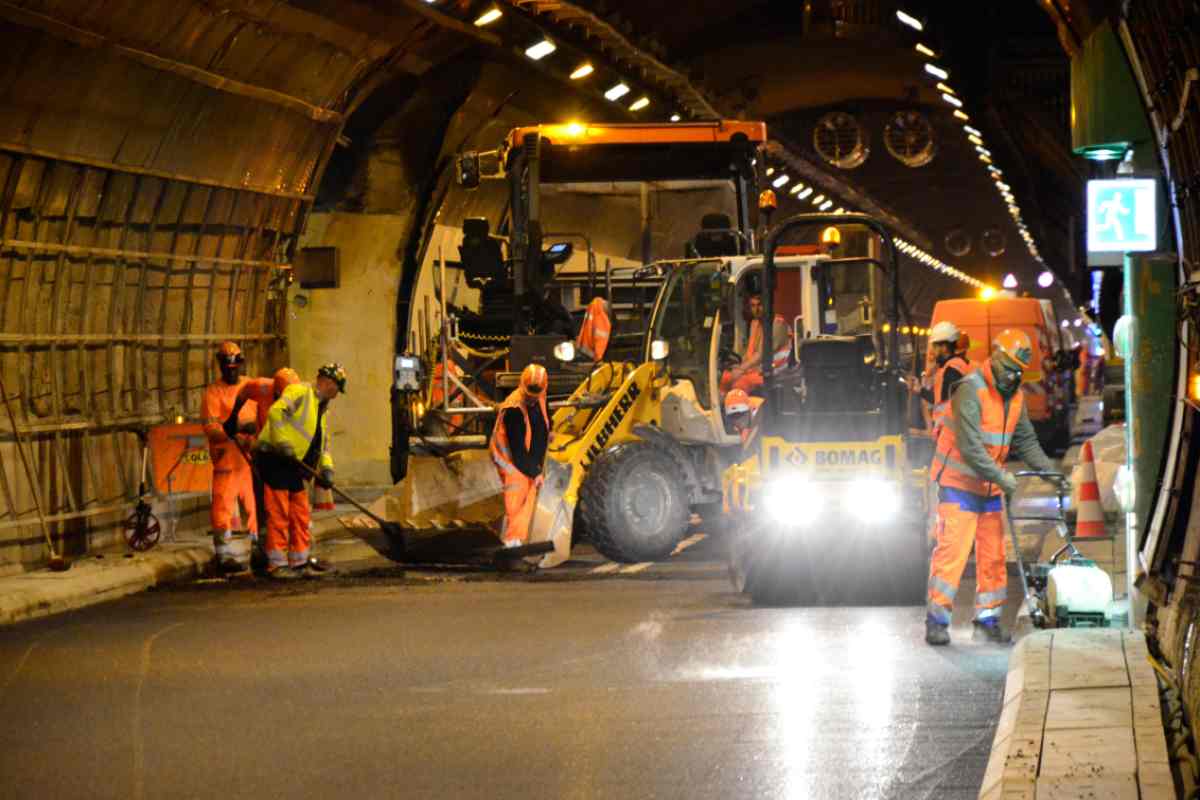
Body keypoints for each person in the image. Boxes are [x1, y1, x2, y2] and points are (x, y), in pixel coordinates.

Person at [926, 329, 1062, 646]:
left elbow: (1025, 439)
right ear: (996, 356)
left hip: (987, 489)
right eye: (1010, 366)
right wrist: (1004, 478)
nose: (1014, 375)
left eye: (1019, 370)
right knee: (952, 555)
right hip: (958, 485)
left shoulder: (1014, 396)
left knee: (993, 557)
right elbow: (971, 448)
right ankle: (936, 620)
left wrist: (1049, 471)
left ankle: (987, 619)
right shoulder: (969, 390)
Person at [251, 363, 345, 580]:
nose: (337, 394)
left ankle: (299, 561)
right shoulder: (300, 391)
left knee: (300, 512)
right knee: (279, 512)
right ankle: (277, 564)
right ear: (326, 381)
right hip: (275, 458)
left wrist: (327, 469)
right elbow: (276, 412)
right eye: (336, 388)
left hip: (294, 464)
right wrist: (283, 443)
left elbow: (322, 443)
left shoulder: (322, 409)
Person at [224, 367, 301, 570]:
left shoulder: (301, 398)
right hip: (264, 452)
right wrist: (233, 417)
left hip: (287, 455)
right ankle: (265, 547)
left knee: (289, 506)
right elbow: (243, 392)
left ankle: (292, 553)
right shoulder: (263, 387)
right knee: (267, 505)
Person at [202, 342, 258, 572]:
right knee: (222, 502)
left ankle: (259, 547)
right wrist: (233, 429)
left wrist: (256, 430)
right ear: (222, 367)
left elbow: (264, 410)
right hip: (227, 457)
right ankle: (223, 554)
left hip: (250, 455)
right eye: (228, 368)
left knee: (256, 505)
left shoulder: (251, 386)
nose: (232, 371)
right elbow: (212, 429)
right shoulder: (213, 393)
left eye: (236, 367)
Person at [490, 364, 550, 548]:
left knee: (531, 487)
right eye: (529, 395)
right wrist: (535, 472)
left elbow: (541, 423)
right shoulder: (514, 409)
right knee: (518, 492)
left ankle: (524, 536)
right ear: (522, 386)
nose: (532, 399)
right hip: (508, 460)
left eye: (536, 395)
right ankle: (511, 542)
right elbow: (518, 452)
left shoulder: (539, 396)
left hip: (525, 457)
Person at [721, 293, 791, 394]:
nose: (756, 309)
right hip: (758, 369)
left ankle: (742, 408)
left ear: (768, 305)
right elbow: (750, 352)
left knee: (740, 383)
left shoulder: (777, 323)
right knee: (725, 378)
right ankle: (722, 406)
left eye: (759, 305)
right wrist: (737, 366)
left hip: (774, 371)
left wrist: (741, 369)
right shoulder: (755, 323)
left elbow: (760, 354)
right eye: (753, 306)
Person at [921, 322, 971, 438]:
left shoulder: (952, 369)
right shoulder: (949, 366)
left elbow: (944, 401)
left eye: (935, 346)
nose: (932, 350)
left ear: (943, 348)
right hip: (949, 431)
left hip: (950, 433)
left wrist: (921, 390)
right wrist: (920, 390)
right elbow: (940, 399)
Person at [576, 296, 612, 362]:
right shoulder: (603, 321)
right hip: (593, 355)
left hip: (586, 352)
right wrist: (598, 358)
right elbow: (600, 342)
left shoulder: (593, 315)